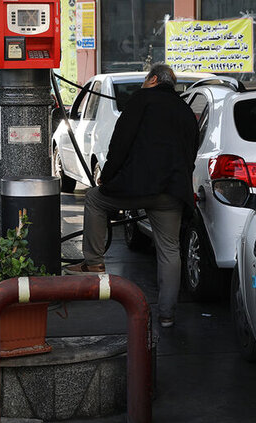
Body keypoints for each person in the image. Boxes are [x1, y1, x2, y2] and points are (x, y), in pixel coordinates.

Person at [65, 64, 198, 329]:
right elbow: (191, 151)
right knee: (170, 250)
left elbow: (121, 142)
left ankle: (93, 263)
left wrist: (108, 175)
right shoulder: (185, 110)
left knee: (94, 198)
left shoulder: (142, 100)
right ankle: (167, 314)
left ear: (152, 79)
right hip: (171, 192)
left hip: (135, 187)